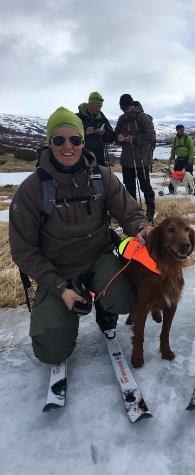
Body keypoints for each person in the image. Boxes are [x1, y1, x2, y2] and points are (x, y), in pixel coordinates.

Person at [9, 106, 151, 364]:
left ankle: (104, 309)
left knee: (126, 300)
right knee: (51, 352)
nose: (68, 146)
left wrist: (143, 228)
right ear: (49, 143)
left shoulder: (101, 176)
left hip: (99, 257)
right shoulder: (30, 190)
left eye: (75, 140)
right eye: (59, 139)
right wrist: (60, 289)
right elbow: (23, 251)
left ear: (83, 143)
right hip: (56, 268)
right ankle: (67, 306)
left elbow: (130, 212)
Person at [114, 94, 156, 221]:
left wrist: (132, 139)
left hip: (142, 160)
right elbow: (115, 136)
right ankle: (133, 214)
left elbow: (150, 137)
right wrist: (119, 138)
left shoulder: (143, 118)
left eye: (126, 108)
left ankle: (150, 211)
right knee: (129, 188)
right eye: (122, 109)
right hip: (127, 160)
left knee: (145, 187)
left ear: (132, 105)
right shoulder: (122, 119)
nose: (124, 111)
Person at [77, 91, 114, 166]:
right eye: (98, 106)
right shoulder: (78, 118)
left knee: (100, 177)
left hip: (100, 157)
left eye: (100, 106)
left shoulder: (102, 118)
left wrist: (103, 133)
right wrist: (85, 133)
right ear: (90, 104)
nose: (99, 108)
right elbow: (72, 138)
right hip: (83, 156)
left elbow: (111, 137)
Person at [168, 124, 195, 194]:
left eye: (183, 129)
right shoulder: (175, 139)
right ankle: (172, 190)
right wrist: (171, 157)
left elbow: (192, 150)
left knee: (189, 175)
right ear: (177, 130)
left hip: (187, 159)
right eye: (180, 129)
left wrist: (190, 160)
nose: (182, 131)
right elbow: (173, 149)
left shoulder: (188, 138)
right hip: (179, 159)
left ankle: (191, 190)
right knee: (174, 175)